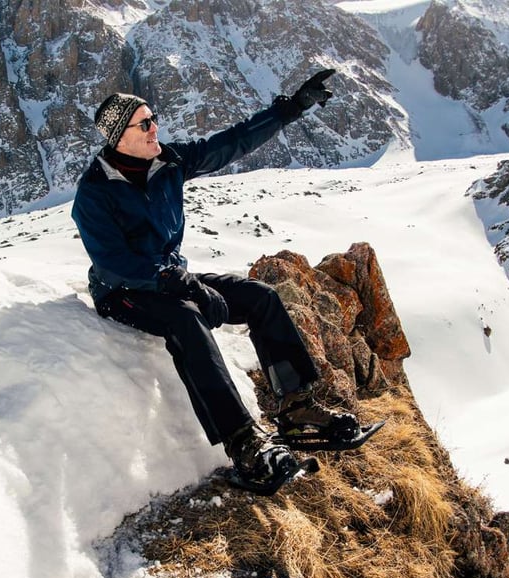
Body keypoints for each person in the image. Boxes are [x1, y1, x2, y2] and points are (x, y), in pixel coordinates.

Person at [72, 70, 379, 494]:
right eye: (144, 123)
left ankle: (297, 407)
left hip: (171, 276)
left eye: (153, 117)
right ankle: (243, 442)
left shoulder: (169, 161)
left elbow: (231, 143)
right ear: (119, 137)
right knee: (185, 319)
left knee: (260, 297)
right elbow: (113, 263)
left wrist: (290, 109)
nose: (154, 127)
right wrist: (177, 284)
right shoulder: (94, 192)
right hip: (123, 292)